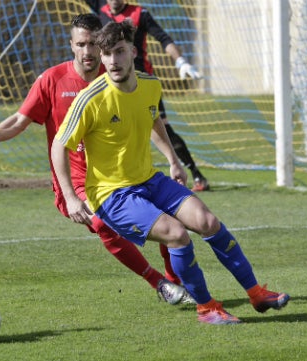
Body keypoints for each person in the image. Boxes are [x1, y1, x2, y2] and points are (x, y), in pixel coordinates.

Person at [51, 21, 289, 324]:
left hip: (149, 179)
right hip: (112, 195)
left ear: (133, 52)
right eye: (107, 53)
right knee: (177, 235)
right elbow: (58, 146)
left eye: (120, 52)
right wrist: (71, 197)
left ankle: (256, 293)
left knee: (208, 221)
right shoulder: (90, 99)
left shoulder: (150, 85)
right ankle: (207, 308)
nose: (113, 60)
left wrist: (173, 160)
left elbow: (153, 119)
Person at [0, 14, 193, 305]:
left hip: (124, 176)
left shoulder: (118, 78)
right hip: (79, 183)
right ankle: (157, 282)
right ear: (71, 45)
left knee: (167, 220)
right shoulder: (52, 80)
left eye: (94, 44)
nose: (88, 52)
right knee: (102, 225)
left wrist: (172, 158)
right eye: (81, 44)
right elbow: (19, 121)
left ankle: (176, 280)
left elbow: (149, 119)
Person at [84, 0, 210, 192]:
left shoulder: (140, 14)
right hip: (113, 85)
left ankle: (195, 173)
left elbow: (163, 38)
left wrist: (181, 62)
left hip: (141, 82)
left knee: (163, 127)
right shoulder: (100, 11)